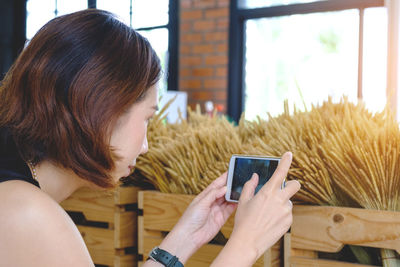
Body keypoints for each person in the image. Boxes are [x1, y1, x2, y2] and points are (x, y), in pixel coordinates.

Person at [0, 9, 300, 267]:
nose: (145, 147)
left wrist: (184, 240)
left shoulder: (17, 190)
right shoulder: (30, 214)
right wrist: (245, 246)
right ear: (103, 110)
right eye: (147, 118)